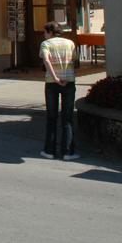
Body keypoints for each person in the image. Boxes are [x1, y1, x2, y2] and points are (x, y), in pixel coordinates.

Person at [40, 21, 79, 160]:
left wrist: (55, 77)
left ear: (50, 32)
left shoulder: (46, 44)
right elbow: (74, 59)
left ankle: (49, 151)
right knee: (67, 117)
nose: (44, 35)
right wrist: (65, 75)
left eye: (45, 32)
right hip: (69, 81)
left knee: (52, 117)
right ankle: (68, 152)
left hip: (51, 82)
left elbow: (46, 60)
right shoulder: (70, 43)